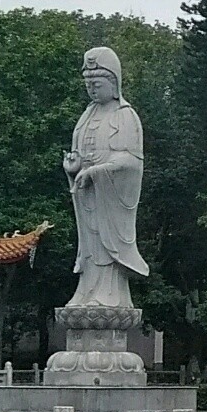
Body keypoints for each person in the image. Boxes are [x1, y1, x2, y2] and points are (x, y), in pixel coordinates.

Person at [64, 45, 149, 310]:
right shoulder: (86, 115)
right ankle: (86, 291)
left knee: (105, 246)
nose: (92, 89)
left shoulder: (125, 116)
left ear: (113, 83)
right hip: (88, 195)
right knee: (90, 246)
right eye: (88, 83)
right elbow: (80, 154)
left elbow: (131, 162)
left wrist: (97, 171)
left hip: (109, 196)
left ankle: (109, 295)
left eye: (97, 83)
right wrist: (74, 167)